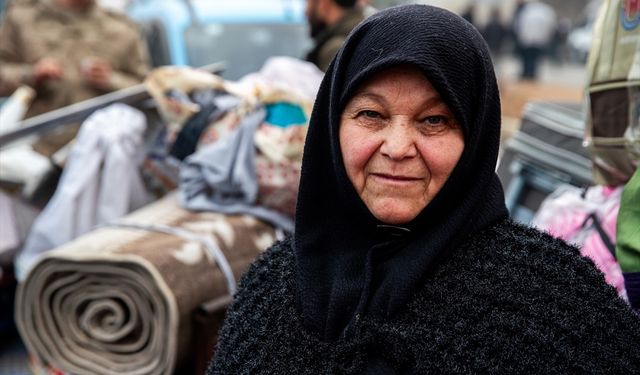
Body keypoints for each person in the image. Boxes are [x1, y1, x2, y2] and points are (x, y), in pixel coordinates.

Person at [208, 5, 640, 373]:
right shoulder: (273, 287)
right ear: (330, 127)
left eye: (434, 121)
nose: (397, 149)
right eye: (371, 115)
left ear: (475, 136)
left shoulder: (552, 301)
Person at [0, 0, 149, 155]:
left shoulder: (121, 29)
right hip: (31, 151)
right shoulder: (23, 19)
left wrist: (111, 79)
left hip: (99, 153)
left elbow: (147, 92)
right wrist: (31, 74)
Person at [304, 0, 367, 72]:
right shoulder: (364, 33)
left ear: (324, 3)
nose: (305, 12)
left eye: (307, 2)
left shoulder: (335, 50)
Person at [513, 0, 557, 79]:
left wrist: (520, 37)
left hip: (527, 39)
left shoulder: (527, 10)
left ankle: (527, 74)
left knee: (526, 59)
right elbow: (551, 26)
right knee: (535, 59)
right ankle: (532, 74)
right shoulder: (547, 11)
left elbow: (519, 25)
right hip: (540, 40)